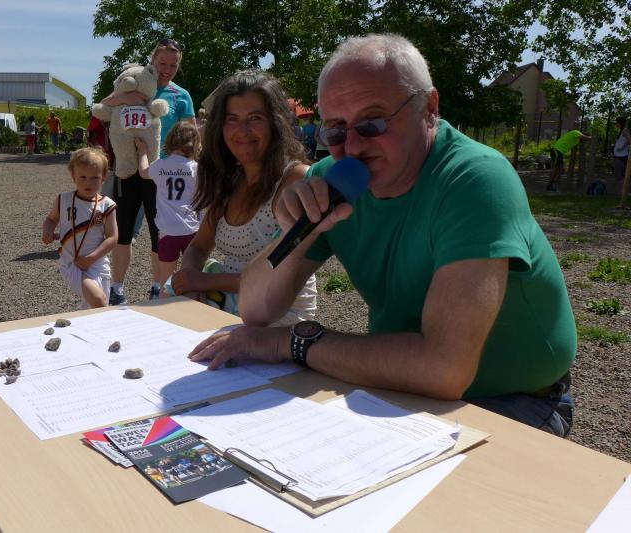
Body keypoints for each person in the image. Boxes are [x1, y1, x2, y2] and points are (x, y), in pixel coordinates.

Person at [190, 34, 576, 438]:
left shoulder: (474, 179)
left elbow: (444, 368)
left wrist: (292, 342)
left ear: (429, 108)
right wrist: (294, 232)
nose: (353, 146)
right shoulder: (332, 181)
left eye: (372, 122)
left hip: (511, 399)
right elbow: (256, 311)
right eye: (335, 130)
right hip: (403, 383)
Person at [170, 70, 316, 325]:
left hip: (278, 316)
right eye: (232, 119)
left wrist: (205, 281)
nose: (242, 130)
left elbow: (280, 275)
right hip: (227, 303)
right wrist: (191, 284)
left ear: (276, 122)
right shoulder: (229, 178)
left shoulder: (294, 180)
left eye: (255, 118)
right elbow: (198, 247)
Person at [100, 38, 197, 304]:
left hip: (162, 174)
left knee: (159, 233)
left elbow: (191, 135)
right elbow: (103, 107)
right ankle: (117, 288)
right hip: (129, 169)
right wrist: (125, 98)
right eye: (162, 63)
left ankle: (158, 287)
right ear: (152, 60)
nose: (166, 69)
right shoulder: (134, 81)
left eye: (173, 65)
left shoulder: (181, 95)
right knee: (123, 231)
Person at [42, 147, 117, 309]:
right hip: (72, 263)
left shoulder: (107, 205)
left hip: (97, 263)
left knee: (95, 307)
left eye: (94, 177)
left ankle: (85, 324)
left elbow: (112, 238)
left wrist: (91, 258)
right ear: (73, 176)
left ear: (104, 177)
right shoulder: (64, 200)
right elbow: (51, 219)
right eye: (83, 177)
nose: (88, 182)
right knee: (99, 300)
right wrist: (47, 231)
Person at [135, 121, 202, 298]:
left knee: (165, 283)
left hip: (167, 231)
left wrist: (143, 152)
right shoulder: (196, 168)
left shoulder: (160, 165)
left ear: (171, 141)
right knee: (191, 280)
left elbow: (143, 172)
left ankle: (164, 308)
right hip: (191, 229)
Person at [612, 116, 630, 181]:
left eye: (616, 122)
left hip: (621, 157)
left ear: (620, 123)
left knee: (619, 178)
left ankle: (620, 187)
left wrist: (622, 148)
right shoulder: (622, 130)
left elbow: (630, 140)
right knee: (618, 176)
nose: (615, 123)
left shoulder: (625, 130)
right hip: (618, 156)